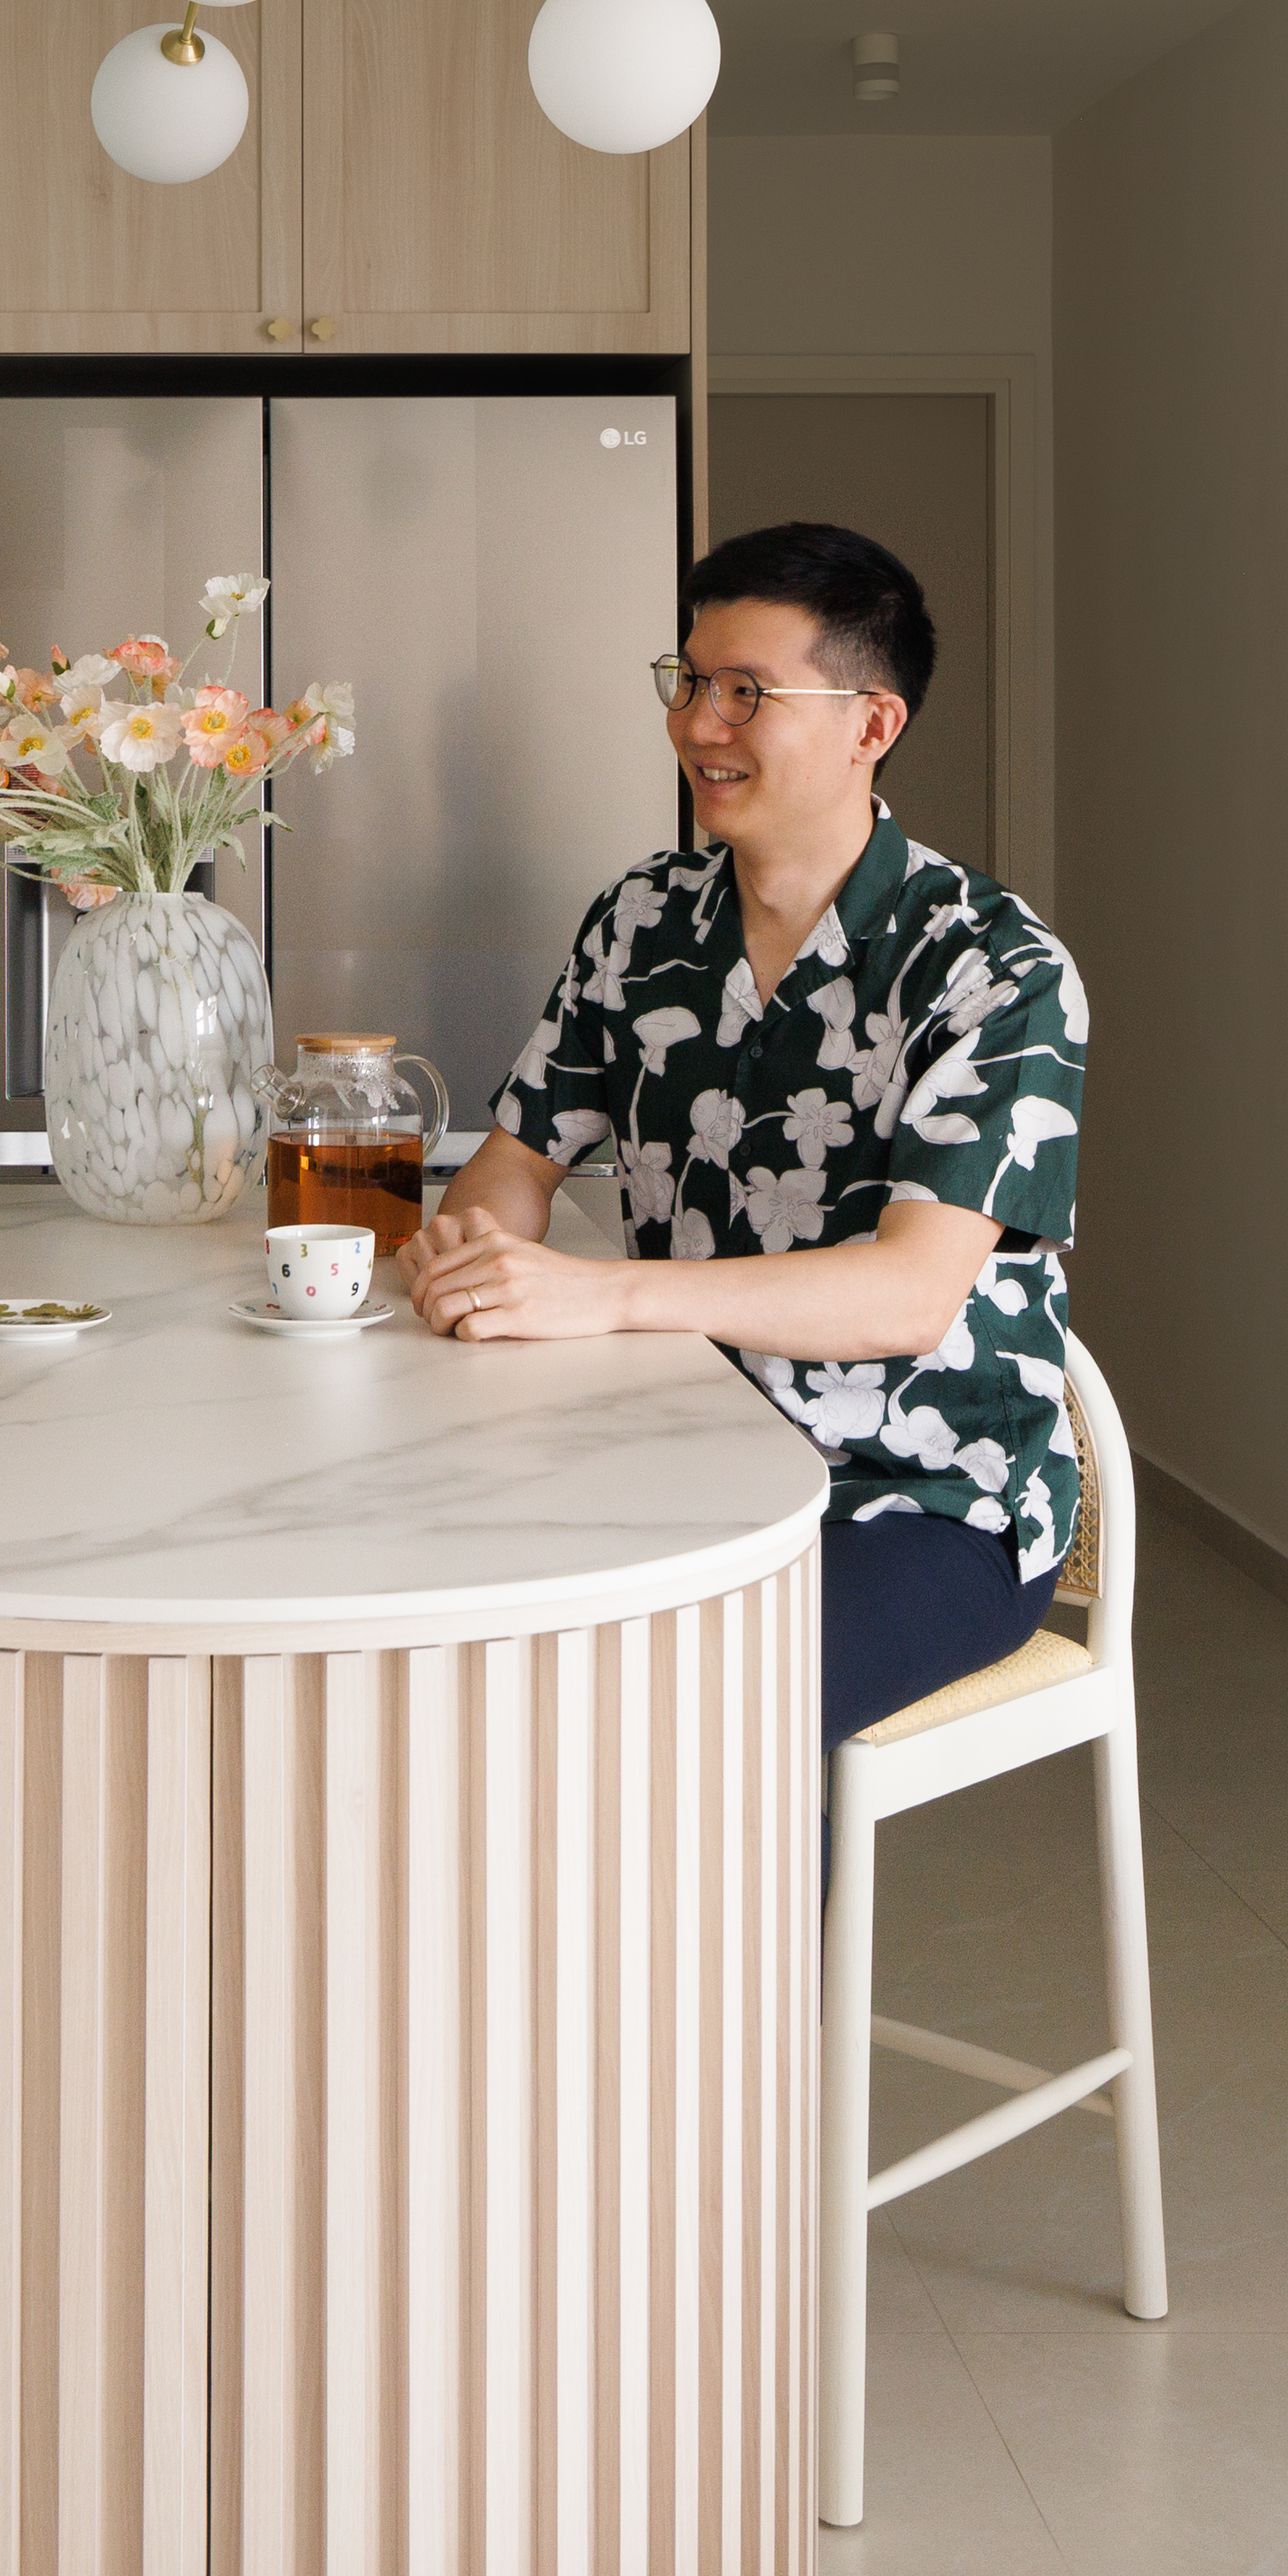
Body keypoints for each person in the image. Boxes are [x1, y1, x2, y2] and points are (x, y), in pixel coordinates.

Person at [396, 520, 1089, 1755]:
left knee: (716, 1711)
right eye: (690, 682)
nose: (698, 724)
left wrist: (602, 1297)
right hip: (668, 1449)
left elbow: (906, 1296)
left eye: (745, 693)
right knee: (429, 1632)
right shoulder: (641, 921)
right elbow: (514, 1165)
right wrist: (470, 1256)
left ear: (870, 726)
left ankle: (742, 1959)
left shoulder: (993, 967)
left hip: (915, 1496)